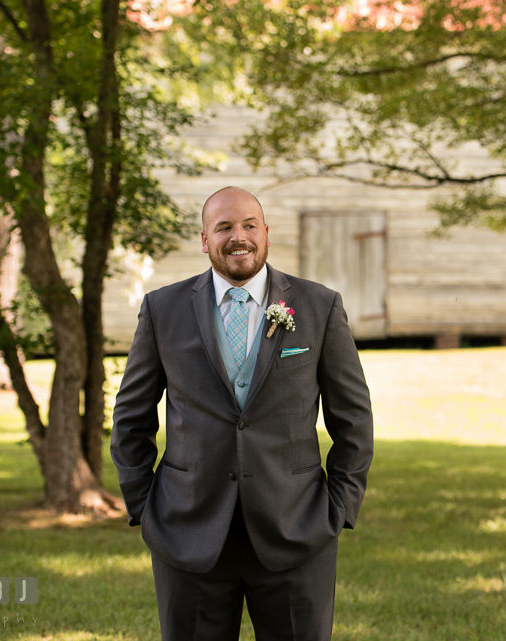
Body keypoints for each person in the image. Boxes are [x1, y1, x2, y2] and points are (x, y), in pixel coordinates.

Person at [111, 186, 374, 641]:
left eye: (250, 225)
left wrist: (340, 507)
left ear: (266, 233)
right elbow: (131, 417)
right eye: (225, 227)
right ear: (204, 239)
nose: (239, 237)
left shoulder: (318, 306)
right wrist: (144, 506)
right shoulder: (163, 309)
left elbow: (353, 418)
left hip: (296, 529)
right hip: (187, 531)